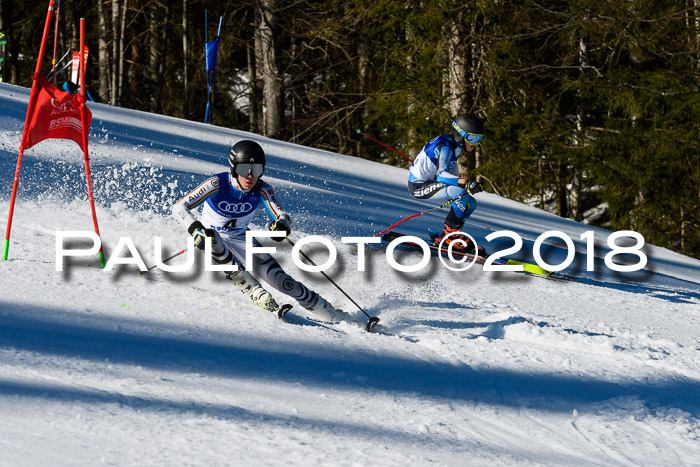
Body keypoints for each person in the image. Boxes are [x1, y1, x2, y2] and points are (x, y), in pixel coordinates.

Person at [173, 139, 350, 322]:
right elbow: (179, 207)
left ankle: (330, 312)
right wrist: (195, 229)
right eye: (244, 170)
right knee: (212, 239)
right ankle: (252, 288)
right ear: (233, 168)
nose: (250, 176)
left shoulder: (262, 189)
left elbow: (281, 214)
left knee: (282, 281)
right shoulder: (217, 183)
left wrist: (281, 225)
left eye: (256, 170)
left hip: (241, 237)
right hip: (211, 239)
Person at [408, 114, 487, 255]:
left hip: (431, 181)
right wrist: (464, 183)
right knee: (460, 193)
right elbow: (442, 176)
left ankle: (450, 235)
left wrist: (466, 185)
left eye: (479, 139)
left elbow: (451, 174)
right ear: (460, 135)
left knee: (471, 203)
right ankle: (451, 237)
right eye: (472, 139)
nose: (476, 143)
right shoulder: (446, 147)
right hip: (419, 186)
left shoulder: (455, 146)